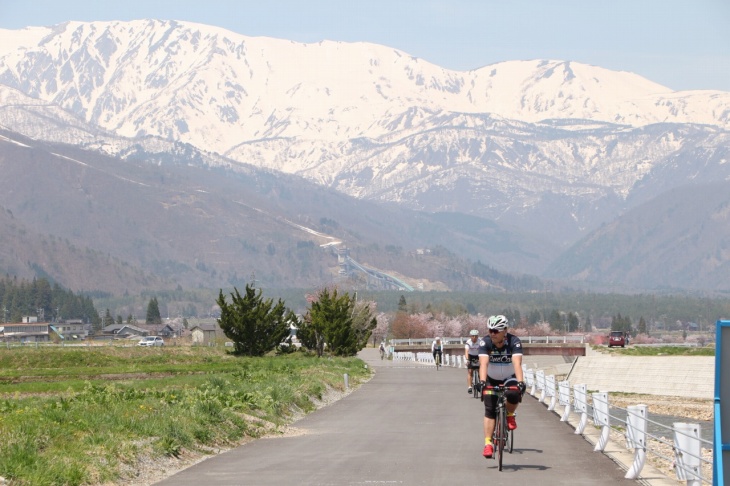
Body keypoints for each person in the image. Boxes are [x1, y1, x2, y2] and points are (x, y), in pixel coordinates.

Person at [478, 315, 526, 458]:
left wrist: (520, 382)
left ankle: (510, 415)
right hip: (491, 379)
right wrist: (481, 381)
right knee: (490, 410)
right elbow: (484, 364)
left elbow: (517, 363)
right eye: (490, 330)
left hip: (508, 378)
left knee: (513, 394)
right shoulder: (485, 342)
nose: (492, 333)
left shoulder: (514, 341)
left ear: (505, 330)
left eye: (496, 331)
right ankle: (488, 444)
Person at [464, 329, 481, 394]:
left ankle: (480, 383)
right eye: (473, 336)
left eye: (476, 336)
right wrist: (467, 360)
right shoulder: (468, 342)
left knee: (480, 370)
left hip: (478, 355)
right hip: (470, 356)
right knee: (470, 371)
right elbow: (466, 351)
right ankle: (469, 387)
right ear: (470, 336)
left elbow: (483, 351)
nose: (474, 338)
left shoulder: (480, 342)